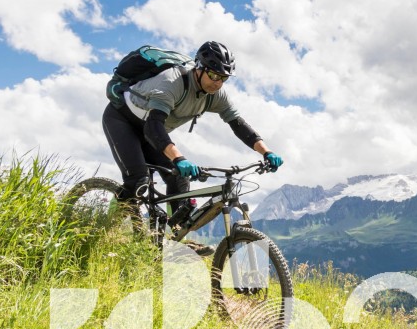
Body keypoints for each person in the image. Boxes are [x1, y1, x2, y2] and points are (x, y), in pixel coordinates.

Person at [102, 41, 283, 213]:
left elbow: (238, 125)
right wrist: (179, 158)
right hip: (122, 120)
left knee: (179, 178)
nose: (218, 83)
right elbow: (153, 127)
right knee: (137, 180)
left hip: (153, 132)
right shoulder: (172, 82)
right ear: (199, 68)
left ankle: (174, 229)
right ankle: (105, 224)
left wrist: (266, 152)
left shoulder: (216, 95)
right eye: (214, 75)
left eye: (224, 78)